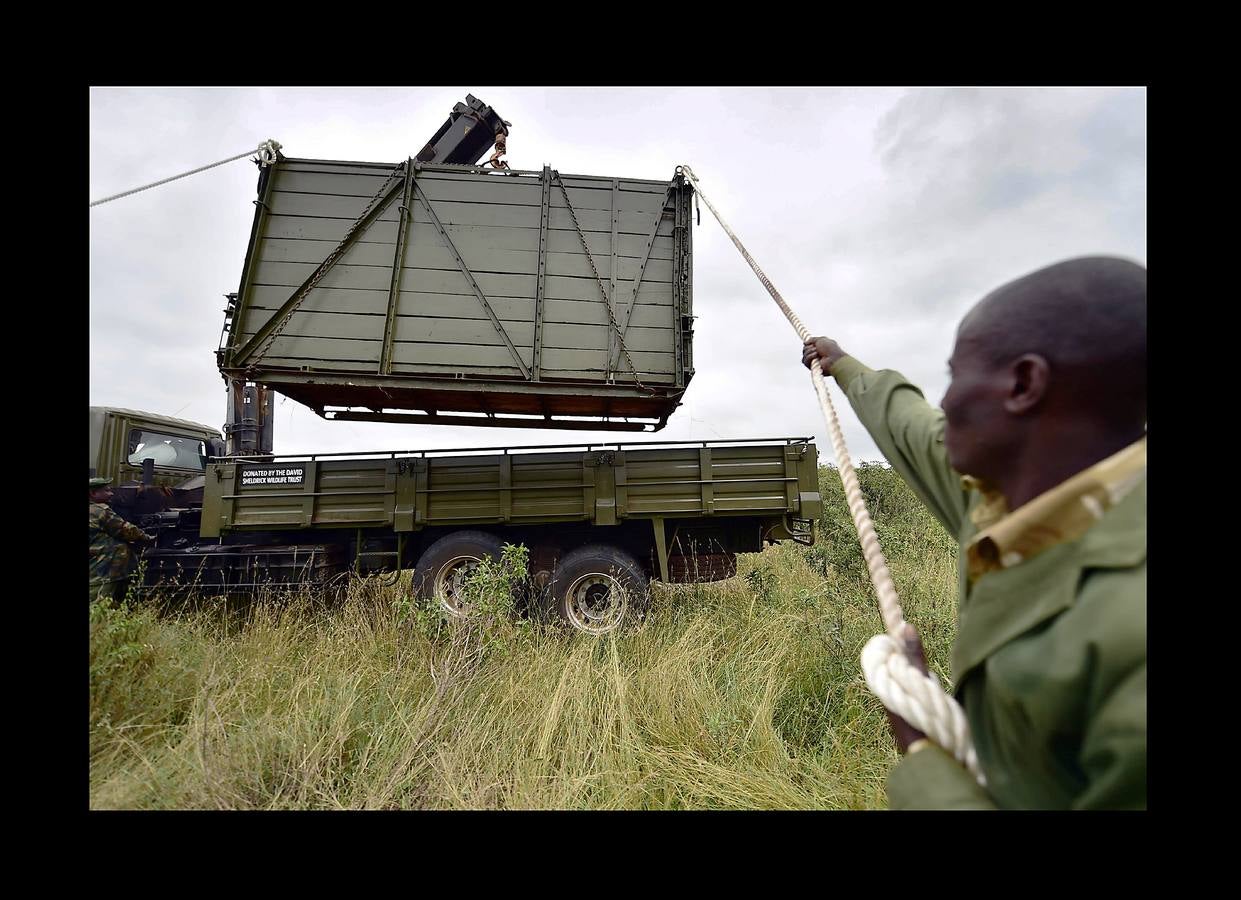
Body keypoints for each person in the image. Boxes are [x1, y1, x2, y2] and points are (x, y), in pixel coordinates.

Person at [802, 255, 1146, 810]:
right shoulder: (1001, 494)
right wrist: (843, 365)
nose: (946, 401)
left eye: (957, 375)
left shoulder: (1133, 633)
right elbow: (910, 423)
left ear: (1024, 384)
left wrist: (924, 761)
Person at [89, 476, 155, 604]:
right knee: (100, 608)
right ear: (92, 493)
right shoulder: (99, 511)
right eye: (106, 491)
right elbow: (126, 530)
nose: (111, 494)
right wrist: (147, 537)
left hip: (95, 570)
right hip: (104, 571)